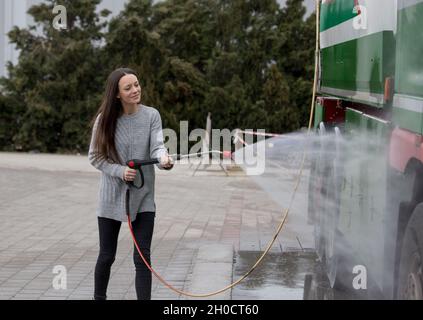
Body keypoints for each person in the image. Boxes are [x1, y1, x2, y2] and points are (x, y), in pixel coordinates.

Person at [88, 67, 173, 300]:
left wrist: (163, 159)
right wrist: (120, 171)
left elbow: (157, 146)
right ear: (117, 94)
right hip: (111, 197)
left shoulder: (152, 115)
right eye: (128, 87)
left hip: (143, 197)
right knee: (107, 255)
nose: (135, 90)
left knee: (142, 257)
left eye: (136, 84)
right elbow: (95, 157)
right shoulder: (104, 120)